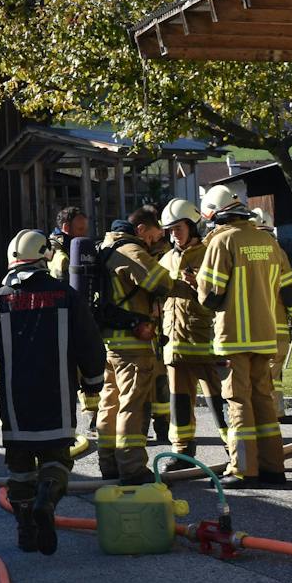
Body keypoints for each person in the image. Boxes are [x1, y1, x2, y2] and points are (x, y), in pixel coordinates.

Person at [0, 230, 105, 554]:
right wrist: (93, 382)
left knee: (20, 469)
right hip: (57, 398)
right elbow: (90, 345)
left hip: (15, 403)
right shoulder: (67, 297)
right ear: (44, 257)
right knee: (57, 460)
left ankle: (25, 528)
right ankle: (47, 499)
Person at [197, 186, 292, 486]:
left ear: (215, 216)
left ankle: (243, 469)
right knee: (263, 400)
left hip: (234, 338)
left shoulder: (223, 241)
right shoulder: (267, 241)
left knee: (238, 401)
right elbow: (286, 289)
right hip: (266, 336)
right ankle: (273, 467)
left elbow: (211, 296)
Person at [94, 207, 171, 483]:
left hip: (111, 342)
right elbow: (159, 282)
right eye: (152, 236)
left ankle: (109, 463)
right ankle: (132, 467)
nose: (153, 242)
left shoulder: (105, 246)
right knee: (133, 406)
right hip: (133, 344)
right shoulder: (130, 250)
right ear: (140, 229)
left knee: (109, 404)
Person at [158, 199, 227, 465]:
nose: (174, 234)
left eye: (178, 228)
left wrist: (198, 280)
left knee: (218, 401)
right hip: (175, 344)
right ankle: (182, 451)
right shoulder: (166, 258)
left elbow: (222, 293)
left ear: (192, 226)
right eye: (171, 229)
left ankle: (233, 450)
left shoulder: (210, 253)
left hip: (205, 342)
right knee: (180, 402)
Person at [253, 206, 292, 423]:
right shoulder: (277, 252)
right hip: (276, 324)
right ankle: (271, 413)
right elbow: (288, 292)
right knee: (273, 372)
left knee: (258, 371)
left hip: (247, 325)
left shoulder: (240, 250)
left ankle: (271, 411)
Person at [46, 206, 89, 280]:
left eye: (85, 230)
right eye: (80, 229)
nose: (84, 234)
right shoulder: (54, 249)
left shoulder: (67, 246)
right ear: (66, 227)